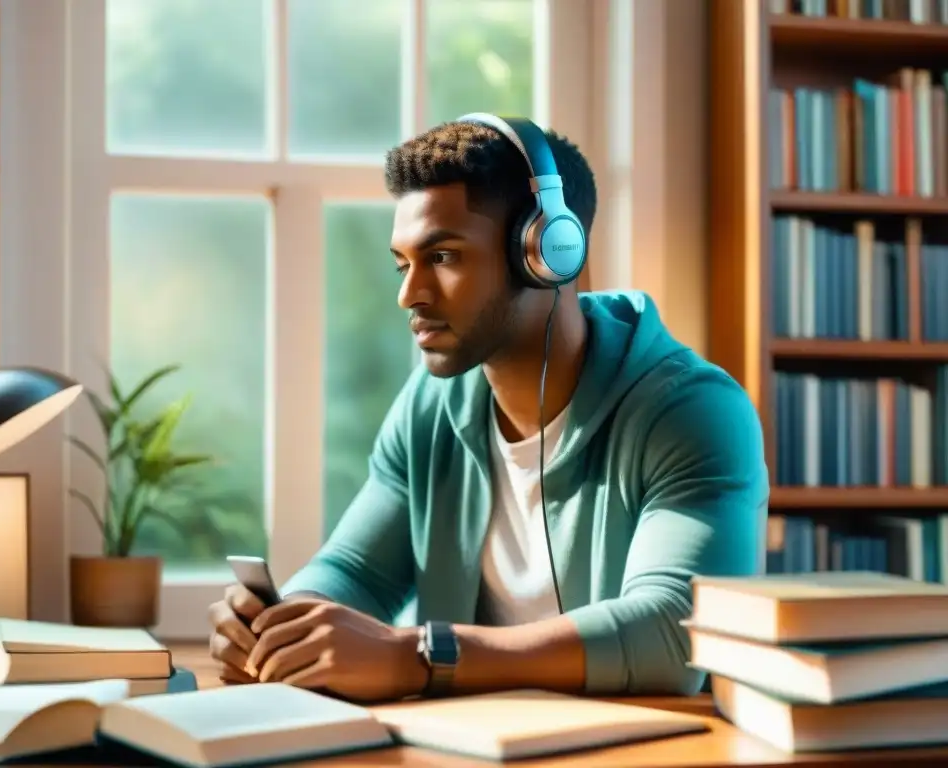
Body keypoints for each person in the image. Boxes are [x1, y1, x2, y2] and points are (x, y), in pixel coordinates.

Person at [208, 115, 768, 703]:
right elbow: (355, 572)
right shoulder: (430, 404)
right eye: (404, 264)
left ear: (548, 251)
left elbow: (673, 636)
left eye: (443, 258)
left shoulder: (692, 412)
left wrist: (416, 657)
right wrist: (286, 627)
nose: (410, 294)